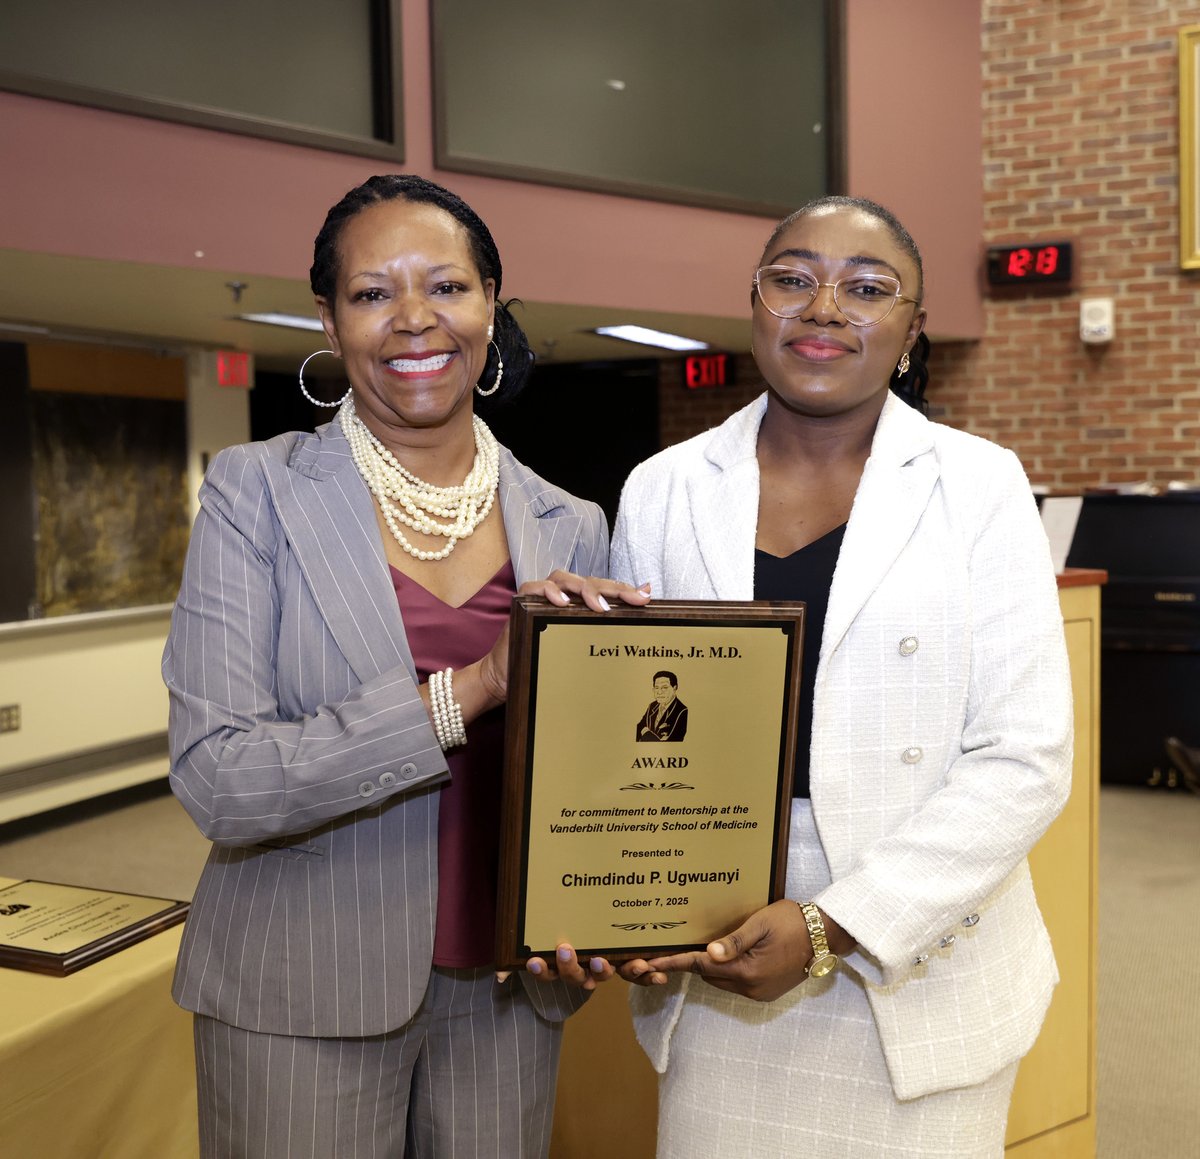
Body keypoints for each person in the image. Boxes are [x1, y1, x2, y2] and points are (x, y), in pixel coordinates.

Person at [162, 173, 648, 1159]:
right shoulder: (255, 494)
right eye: (373, 293)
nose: (415, 319)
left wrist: (614, 895)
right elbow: (220, 776)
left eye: (448, 287)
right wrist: (468, 690)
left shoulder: (571, 522)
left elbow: (591, 772)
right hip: (301, 987)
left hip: (512, 988)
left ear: (491, 306)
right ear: (330, 322)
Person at [611, 195, 1073, 1157]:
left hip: (917, 942)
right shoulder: (663, 487)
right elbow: (630, 730)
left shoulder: (979, 485)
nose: (824, 307)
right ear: (755, 304)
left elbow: (1024, 757)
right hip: (718, 935)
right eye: (793, 278)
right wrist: (618, 897)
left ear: (911, 328)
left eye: (867, 289)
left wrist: (834, 926)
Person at [635, 670, 689, 741]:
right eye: (656, 688)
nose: (659, 692)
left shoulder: (682, 711)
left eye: (664, 687)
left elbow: (672, 743)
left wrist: (646, 732)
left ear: (674, 688)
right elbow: (639, 727)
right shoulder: (652, 706)